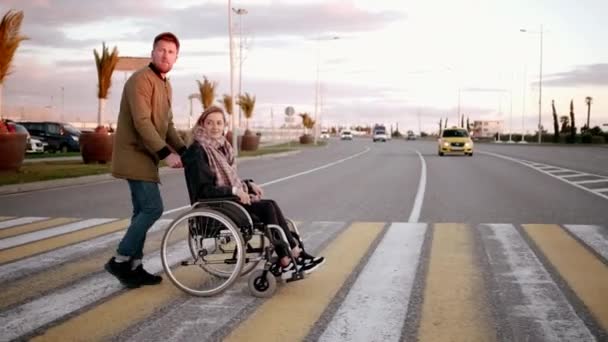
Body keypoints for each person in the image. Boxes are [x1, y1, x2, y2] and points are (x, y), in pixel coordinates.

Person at [182, 105, 325, 279]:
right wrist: (235, 190)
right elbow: (204, 190)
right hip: (215, 207)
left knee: (270, 204)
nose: (215, 127)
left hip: (228, 202)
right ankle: (288, 258)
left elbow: (227, 179)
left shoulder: (221, 147)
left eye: (219, 123)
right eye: (210, 123)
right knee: (267, 209)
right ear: (202, 124)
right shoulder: (198, 151)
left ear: (224, 126)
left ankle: (293, 252)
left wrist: (247, 185)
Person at [105, 32, 186, 288]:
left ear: (176, 57)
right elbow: (142, 122)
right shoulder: (140, 80)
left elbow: (167, 123)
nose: (165, 55)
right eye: (161, 50)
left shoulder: (165, 83)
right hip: (134, 154)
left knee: (141, 211)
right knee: (153, 209)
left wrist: (184, 150)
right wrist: (166, 153)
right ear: (152, 52)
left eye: (171, 52)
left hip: (145, 156)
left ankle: (135, 267)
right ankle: (120, 260)